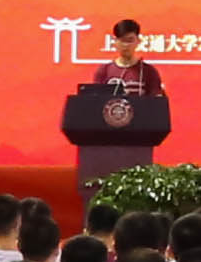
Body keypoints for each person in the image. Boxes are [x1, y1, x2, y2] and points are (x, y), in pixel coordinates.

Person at [64, 22, 176, 194]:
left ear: (138, 41)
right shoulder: (105, 70)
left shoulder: (148, 72)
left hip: (138, 138)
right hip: (106, 138)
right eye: (122, 41)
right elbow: (96, 104)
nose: (126, 45)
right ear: (115, 42)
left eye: (130, 40)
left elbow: (155, 103)